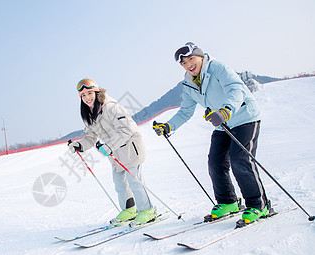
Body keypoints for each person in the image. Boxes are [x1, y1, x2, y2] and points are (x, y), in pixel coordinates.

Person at [153, 42, 269, 224]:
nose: (189, 65)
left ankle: (258, 205)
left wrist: (226, 110)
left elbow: (236, 89)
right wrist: (169, 126)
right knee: (215, 163)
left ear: (201, 56)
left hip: (244, 117)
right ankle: (228, 202)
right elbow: (185, 111)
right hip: (221, 125)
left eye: (191, 59)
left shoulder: (218, 68)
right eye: (184, 63)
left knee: (240, 160)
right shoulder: (188, 83)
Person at [68, 77, 156, 225]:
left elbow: (126, 129)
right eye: (83, 96)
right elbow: (90, 137)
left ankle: (147, 210)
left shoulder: (111, 107)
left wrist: (108, 146)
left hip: (130, 147)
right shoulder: (89, 114)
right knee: (119, 182)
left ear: (96, 92)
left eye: (89, 93)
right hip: (115, 152)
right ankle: (129, 210)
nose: (87, 98)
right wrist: (80, 145)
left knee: (134, 180)